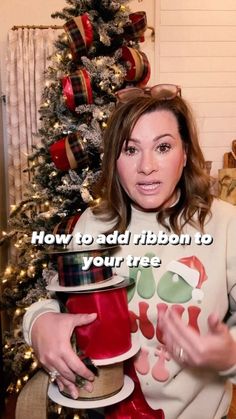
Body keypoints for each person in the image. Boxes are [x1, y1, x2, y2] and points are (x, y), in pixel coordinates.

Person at [23, 84, 236, 419]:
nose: (146, 167)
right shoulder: (92, 226)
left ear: (185, 154)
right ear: (114, 160)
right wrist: (39, 323)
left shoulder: (225, 224)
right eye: (130, 150)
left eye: (163, 147)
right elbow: (64, 303)